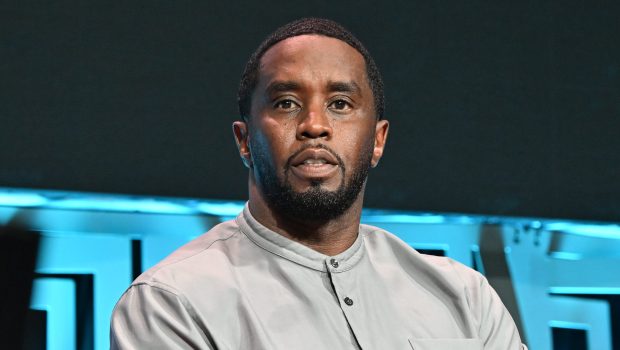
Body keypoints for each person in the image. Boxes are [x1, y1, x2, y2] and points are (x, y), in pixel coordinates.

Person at [110, 18, 527, 349]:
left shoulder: (463, 295)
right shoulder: (173, 302)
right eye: (286, 103)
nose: (314, 125)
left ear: (378, 140)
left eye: (340, 104)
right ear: (243, 140)